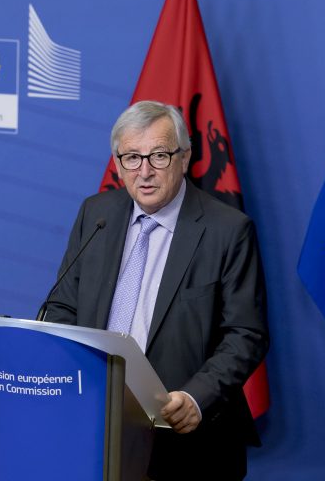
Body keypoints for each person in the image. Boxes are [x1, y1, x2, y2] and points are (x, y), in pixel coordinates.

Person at [44, 101, 268, 480]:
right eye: (132, 157)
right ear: (118, 164)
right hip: (96, 425)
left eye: (159, 156)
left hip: (187, 439)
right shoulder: (96, 214)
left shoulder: (228, 230)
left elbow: (246, 334)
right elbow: (62, 306)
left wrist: (196, 398)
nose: (144, 171)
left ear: (185, 158)